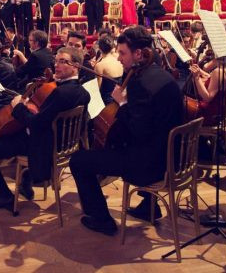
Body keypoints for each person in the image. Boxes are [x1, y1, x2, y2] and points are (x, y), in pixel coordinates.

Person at [69, 26, 184, 235]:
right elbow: (152, 121)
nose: (119, 58)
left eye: (122, 53)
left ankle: (101, 219)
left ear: (139, 54)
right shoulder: (163, 75)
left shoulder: (141, 84)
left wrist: (122, 104)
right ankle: (149, 206)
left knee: (78, 161)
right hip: (174, 157)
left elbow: (138, 131)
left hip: (149, 166)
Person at [0, 47, 90, 209]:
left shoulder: (60, 93)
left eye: (62, 62)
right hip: (63, 145)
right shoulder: (83, 92)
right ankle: (24, 182)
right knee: (6, 134)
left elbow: (36, 125)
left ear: (76, 66)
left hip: (42, 145)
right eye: (56, 60)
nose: (56, 65)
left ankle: (5, 195)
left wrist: (18, 106)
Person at [94, 36, 123, 105]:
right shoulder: (119, 58)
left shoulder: (100, 65)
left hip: (107, 102)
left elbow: (97, 89)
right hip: (120, 98)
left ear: (100, 49)